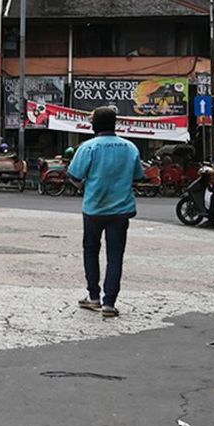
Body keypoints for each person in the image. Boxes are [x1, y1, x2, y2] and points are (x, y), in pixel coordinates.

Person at [67, 105, 146, 319]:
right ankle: (109, 303)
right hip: (121, 211)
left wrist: (84, 186)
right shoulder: (130, 148)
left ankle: (93, 297)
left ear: (94, 125)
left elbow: (74, 175)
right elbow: (139, 176)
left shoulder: (88, 147)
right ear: (114, 124)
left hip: (94, 209)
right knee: (115, 256)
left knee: (91, 250)